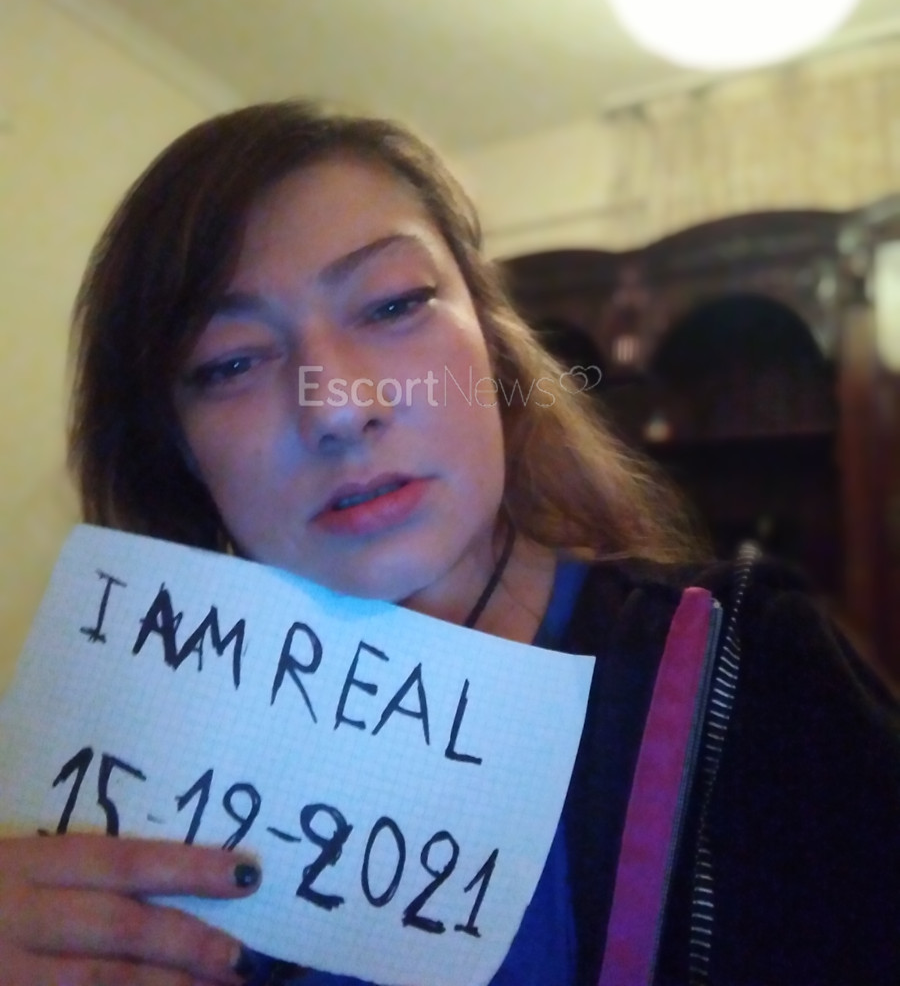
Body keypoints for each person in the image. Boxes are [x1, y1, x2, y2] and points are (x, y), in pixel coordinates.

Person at [1, 100, 898, 986]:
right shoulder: (119, 776)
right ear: (177, 450)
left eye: (393, 303)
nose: (338, 408)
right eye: (231, 361)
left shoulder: (751, 666)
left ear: (494, 347)